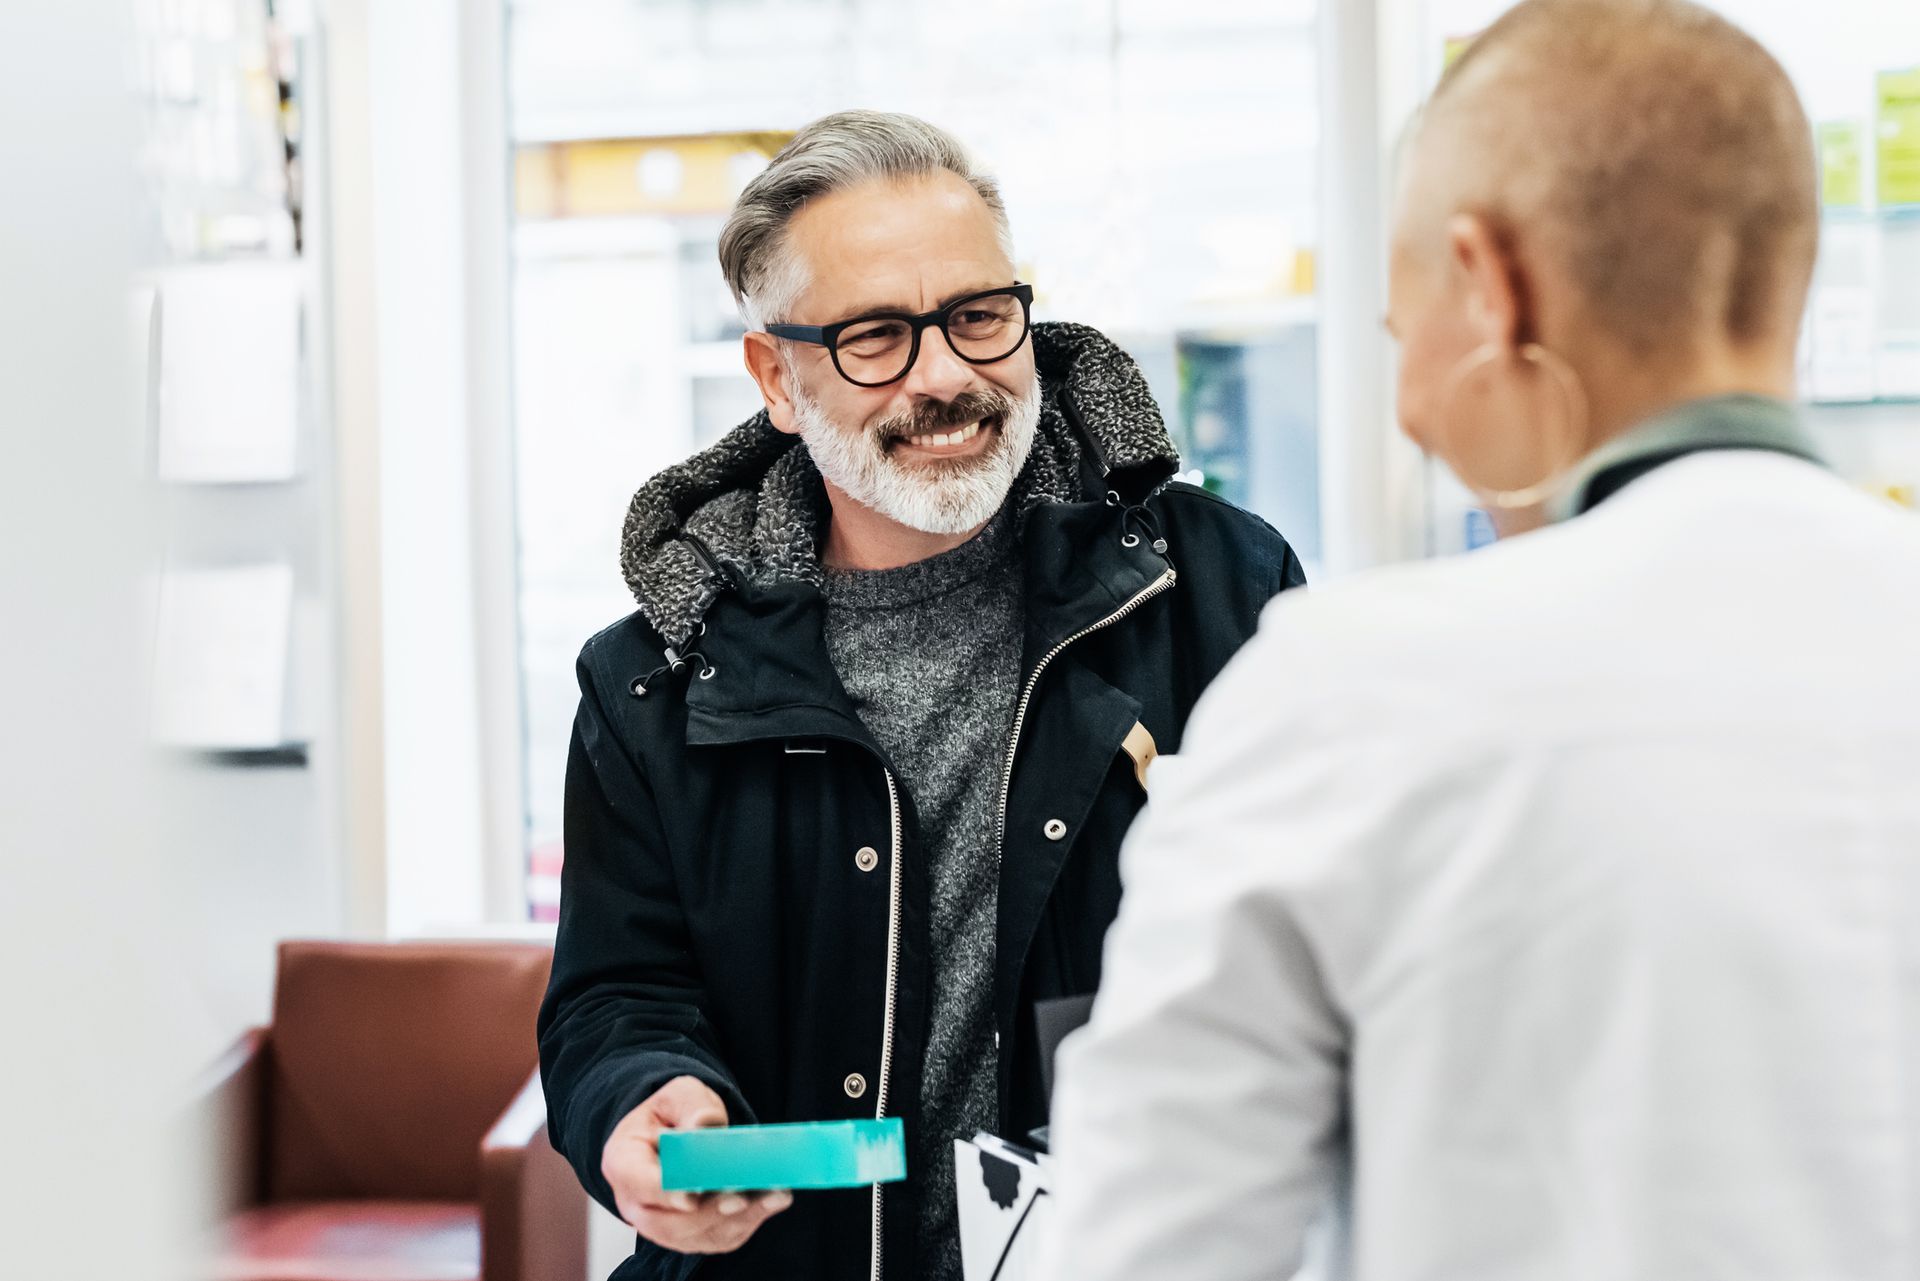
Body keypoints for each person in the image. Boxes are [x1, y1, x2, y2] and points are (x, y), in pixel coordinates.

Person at [1043, 3, 1920, 1279]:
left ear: (1492, 283)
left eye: (1405, 336)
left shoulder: (1350, 692)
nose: (1408, 412)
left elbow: (1154, 1248)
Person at [536, 110, 1307, 1281]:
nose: (947, 377)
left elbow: (1329, 928)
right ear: (776, 376)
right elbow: (617, 996)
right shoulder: (654, 677)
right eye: (876, 338)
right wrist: (645, 1100)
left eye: (978, 317)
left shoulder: (1216, 591)